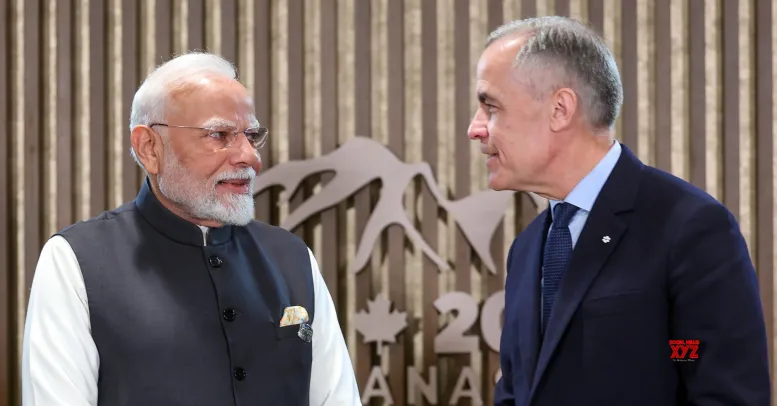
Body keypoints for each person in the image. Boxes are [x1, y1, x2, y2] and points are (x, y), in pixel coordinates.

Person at [21, 52, 361, 405]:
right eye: (219, 134)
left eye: (251, 135)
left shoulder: (292, 258)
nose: (250, 157)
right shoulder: (75, 261)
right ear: (149, 148)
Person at [468, 16, 770, 406]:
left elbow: (727, 395)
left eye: (491, 107)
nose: (475, 129)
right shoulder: (526, 249)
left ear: (560, 109)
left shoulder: (690, 228)